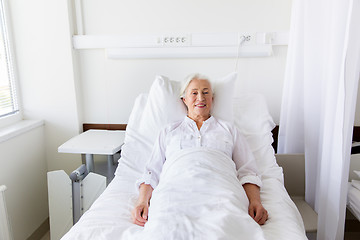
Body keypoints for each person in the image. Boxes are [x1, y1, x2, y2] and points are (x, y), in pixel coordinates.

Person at [131, 73, 268, 228]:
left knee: (226, 226)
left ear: (212, 99)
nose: (201, 98)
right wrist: (142, 201)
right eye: (194, 93)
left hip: (221, 190)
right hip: (176, 190)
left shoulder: (229, 130)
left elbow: (247, 171)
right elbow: (152, 172)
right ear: (184, 100)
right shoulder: (169, 131)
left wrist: (255, 201)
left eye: (206, 92)